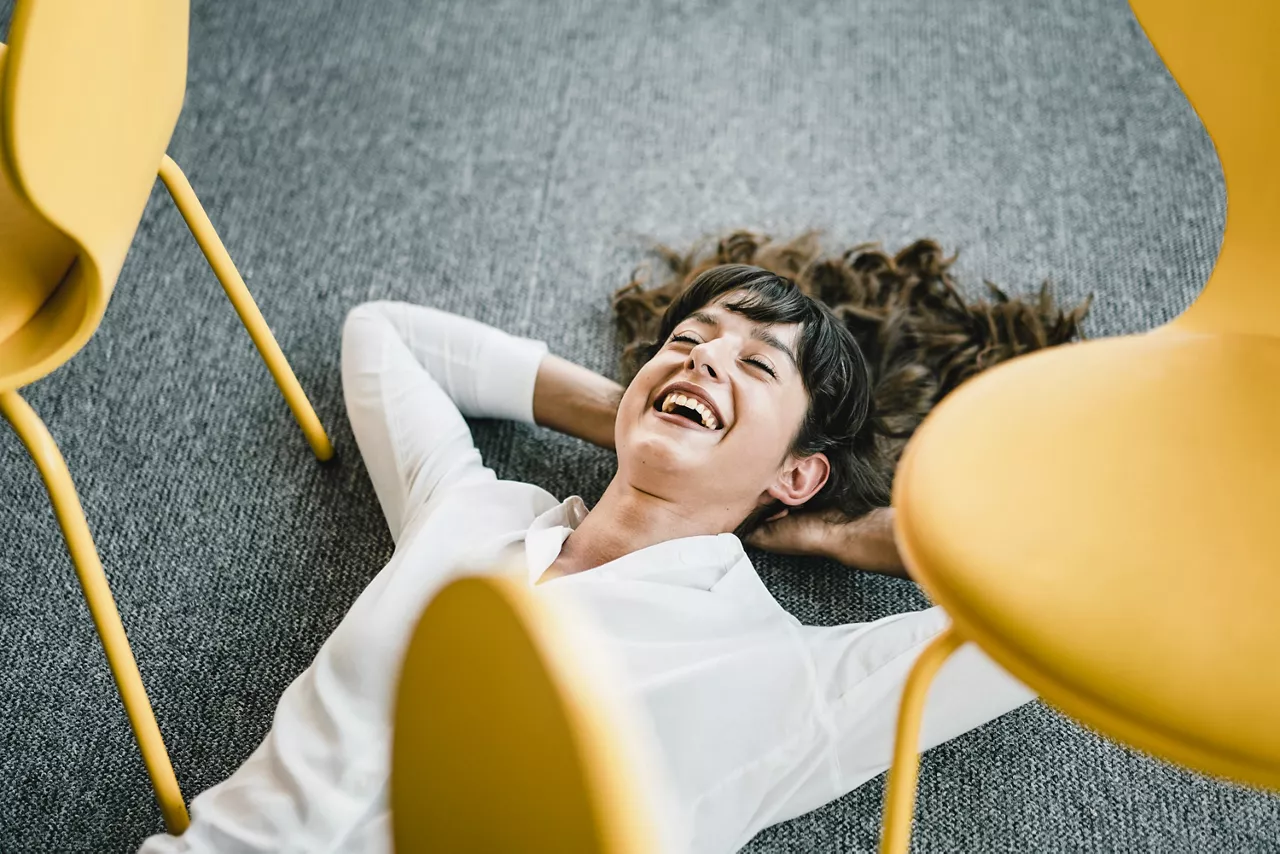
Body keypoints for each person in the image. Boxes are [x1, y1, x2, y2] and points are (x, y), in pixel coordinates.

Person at [139, 264, 1034, 854]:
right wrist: (642, 407)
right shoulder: (470, 511)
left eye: (755, 366)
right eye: (687, 341)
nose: (705, 358)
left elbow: (1052, 620)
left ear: (800, 472)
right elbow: (386, 335)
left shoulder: (788, 676)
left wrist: (850, 535)